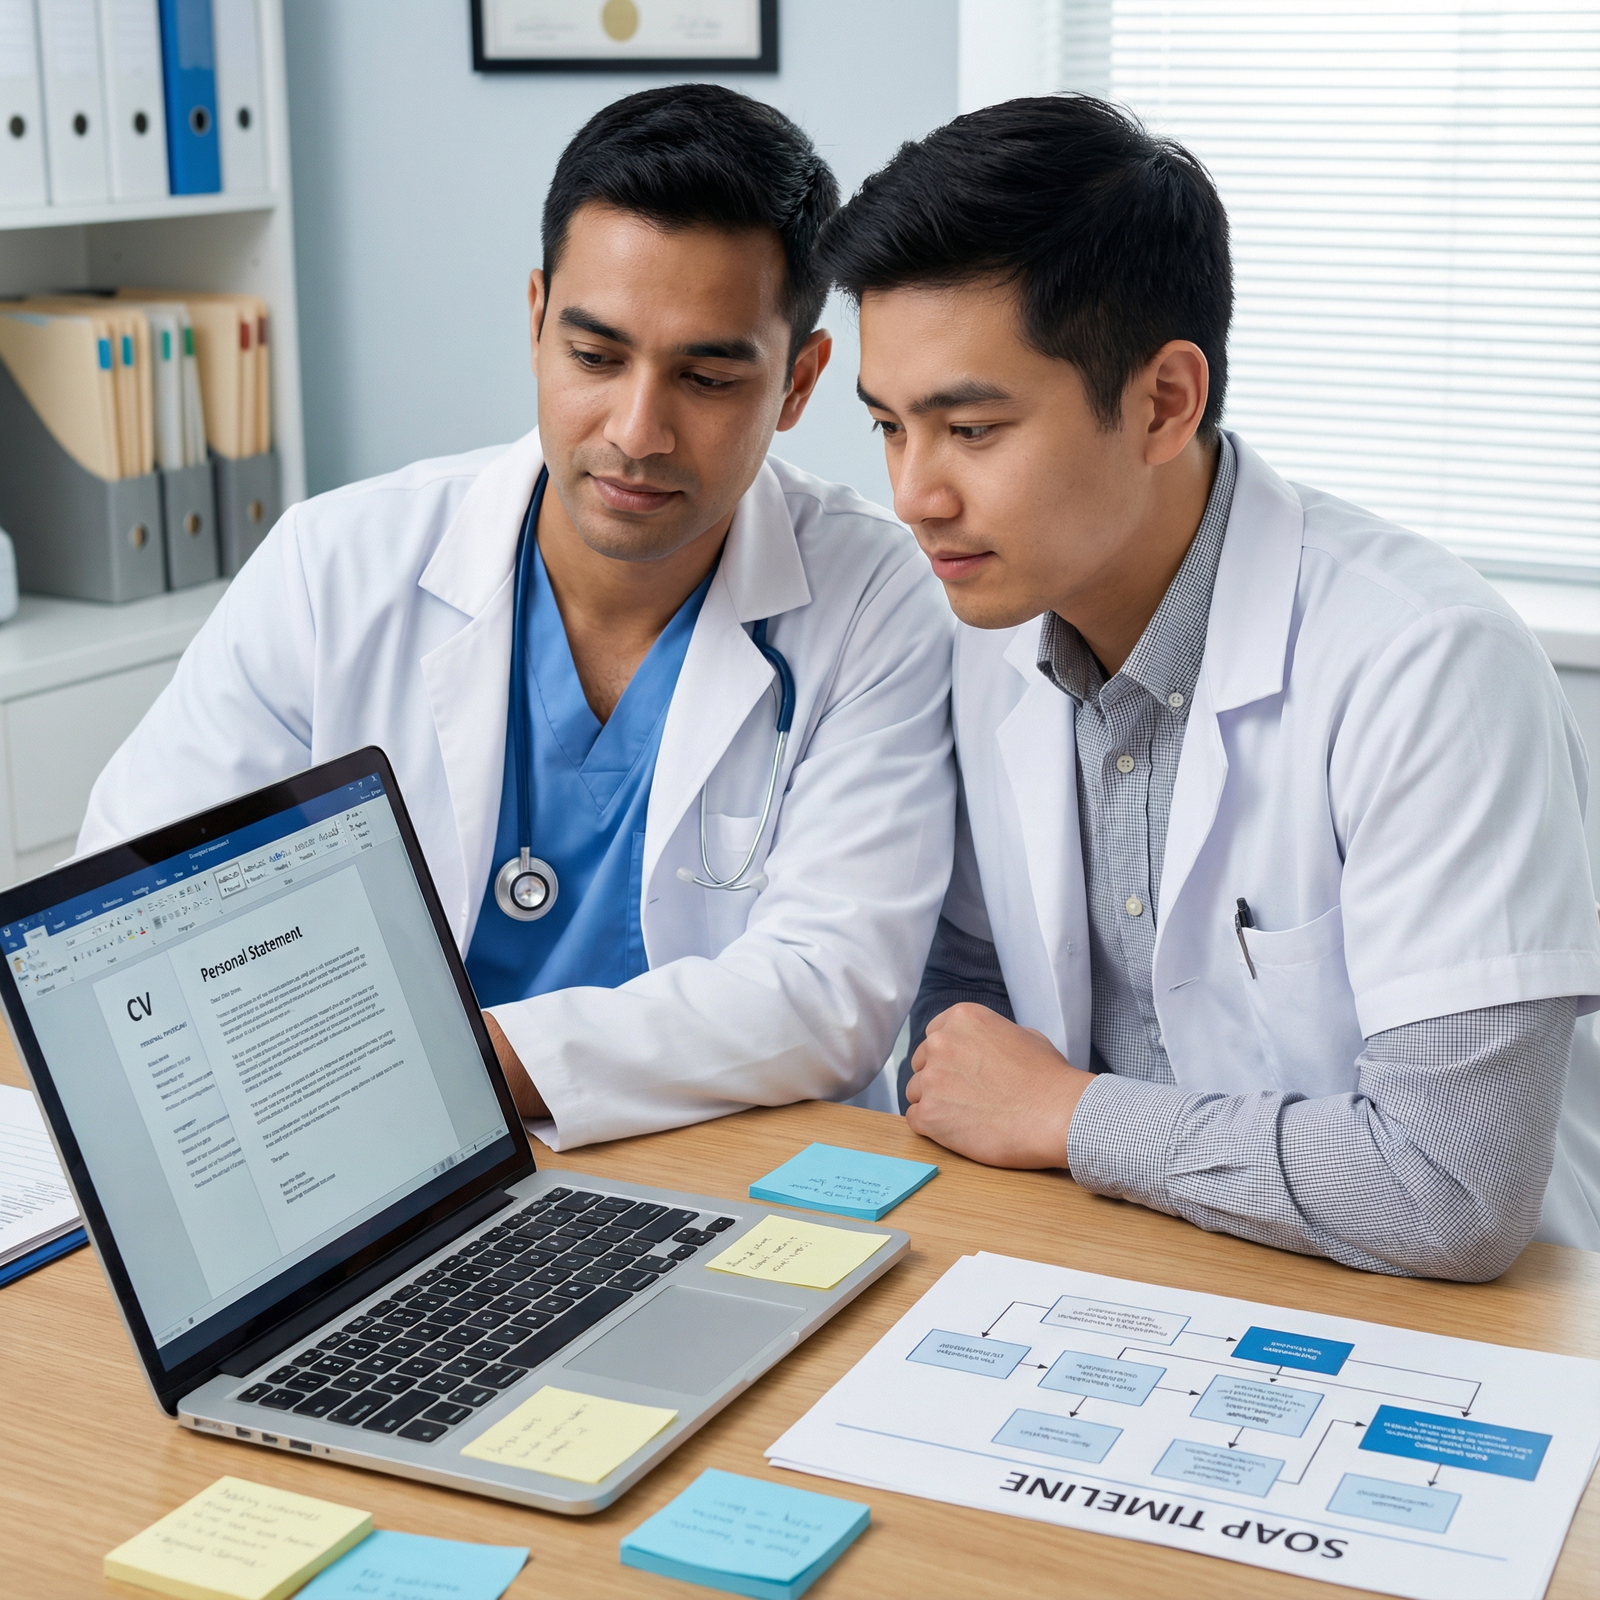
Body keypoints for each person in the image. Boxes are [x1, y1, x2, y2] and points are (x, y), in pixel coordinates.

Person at [78, 84, 954, 1150]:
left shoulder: (876, 599)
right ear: (535, 320)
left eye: (708, 377)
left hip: (727, 1167)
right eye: (594, 357)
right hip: (374, 1166)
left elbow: (829, 995)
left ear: (800, 381)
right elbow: (139, 896)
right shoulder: (335, 564)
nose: (637, 431)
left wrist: (445, 1064)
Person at [815, 94, 1600, 1278]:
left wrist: (1073, 1115)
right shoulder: (986, 624)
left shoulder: (1429, 664)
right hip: (1119, 1272)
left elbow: (1451, 1191)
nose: (915, 494)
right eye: (887, 427)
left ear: (1163, 402)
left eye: (970, 430)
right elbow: (965, 1035)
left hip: (1442, 1329)